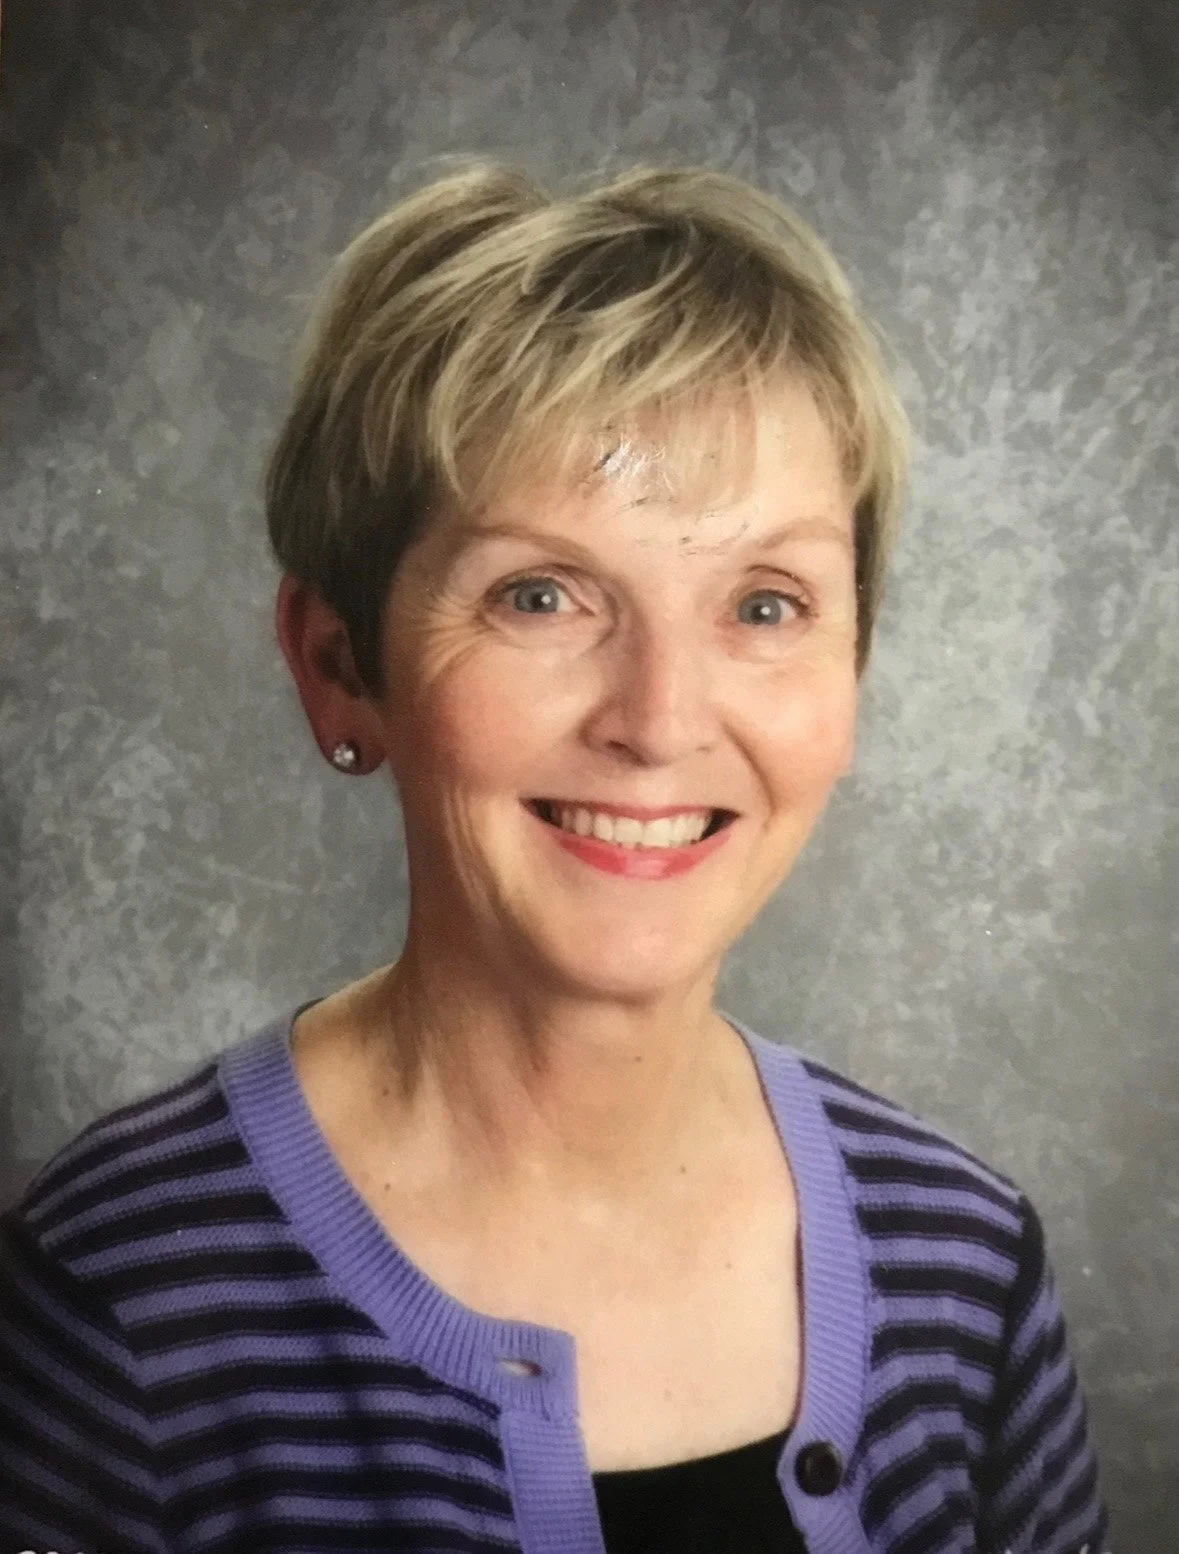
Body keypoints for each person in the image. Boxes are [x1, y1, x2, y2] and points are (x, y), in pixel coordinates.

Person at [0, 158, 1110, 1554]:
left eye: (764, 603)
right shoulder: (120, 1291)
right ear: (341, 665)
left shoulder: (962, 1260)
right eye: (540, 594)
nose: (657, 720)